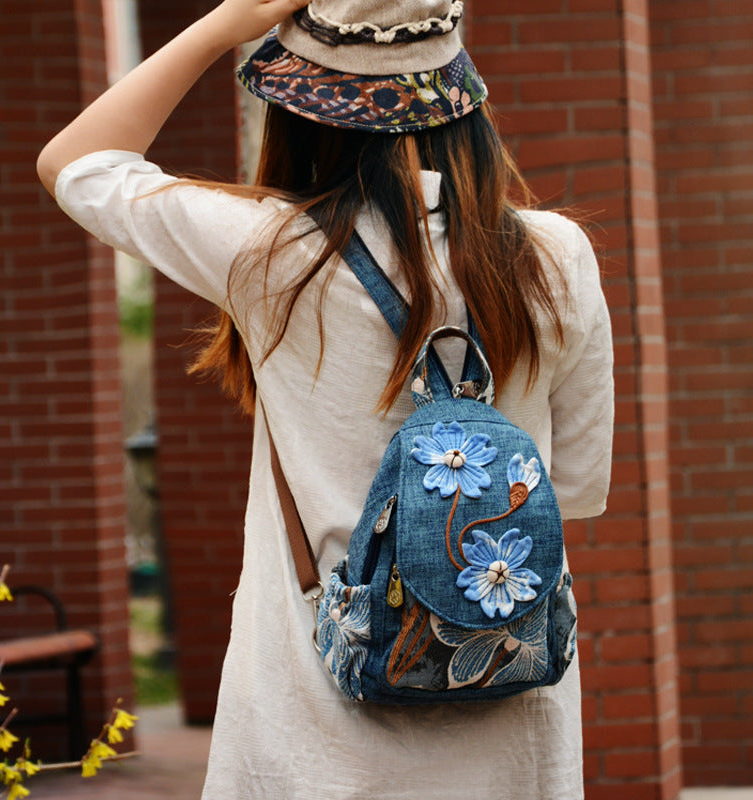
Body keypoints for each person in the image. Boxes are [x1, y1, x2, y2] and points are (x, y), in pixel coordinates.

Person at [38, 0, 614, 797]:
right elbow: (575, 491)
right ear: (460, 98)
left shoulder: (271, 253)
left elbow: (76, 162)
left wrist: (224, 24)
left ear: (301, 112)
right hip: (514, 733)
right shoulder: (559, 256)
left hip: (316, 734)